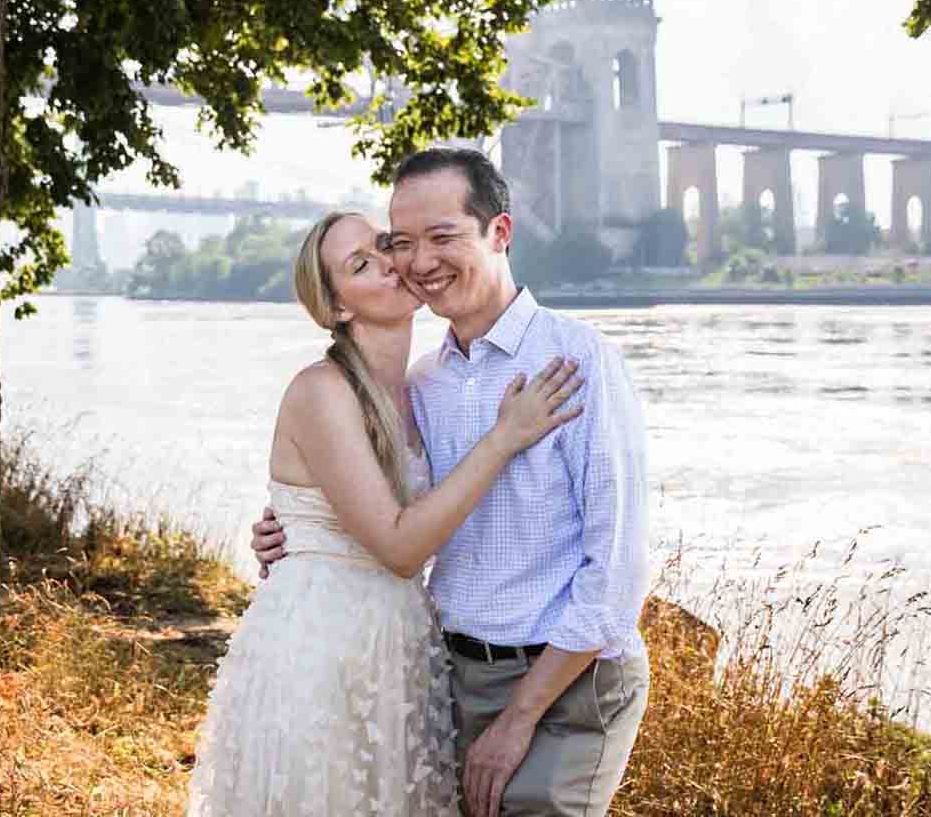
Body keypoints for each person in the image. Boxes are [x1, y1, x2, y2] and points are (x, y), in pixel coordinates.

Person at [253, 149, 652, 817]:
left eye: (443, 237)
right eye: (401, 243)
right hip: (449, 678)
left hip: (562, 684)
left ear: (500, 233)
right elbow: (397, 517)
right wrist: (291, 531)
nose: (418, 261)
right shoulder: (423, 385)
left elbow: (615, 574)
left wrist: (521, 716)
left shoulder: (576, 359)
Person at [186, 209, 585, 817]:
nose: (388, 264)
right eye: (359, 265)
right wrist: (505, 438)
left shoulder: (424, 389)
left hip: (403, 650)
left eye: (382, 246)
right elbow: (399, 549)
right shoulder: (321, 390)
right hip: (322, 651)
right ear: (339, 307)